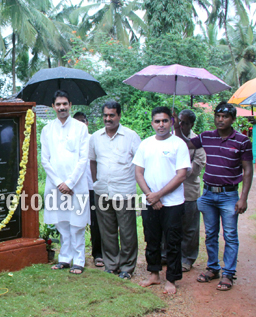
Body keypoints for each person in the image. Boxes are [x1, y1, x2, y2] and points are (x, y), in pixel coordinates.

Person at [173, 102, 253, 291]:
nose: (220, 119)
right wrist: (176, 126)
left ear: (233, 119)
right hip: (208, 194)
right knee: (210, 235)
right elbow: (185, 144)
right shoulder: (207, 137)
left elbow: (248, 171)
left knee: (230, 235)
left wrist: (243, 198)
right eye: (217, 116)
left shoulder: (242, 141)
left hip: (229, 195)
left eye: (225, 117)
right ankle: (213, 268)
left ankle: (228, 273)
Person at [133, 106, 190, 294]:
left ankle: (172, 279)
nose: (161, 124)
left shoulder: (178, 144)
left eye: (165, 120)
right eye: (157, 121)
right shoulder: (146, 144)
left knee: (173, 241)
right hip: (150, 201)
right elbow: (138, 173)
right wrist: (151, 195)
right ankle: (154, 274)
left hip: (172, 203)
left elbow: (181, 175)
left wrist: (159, 195)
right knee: (152, 238)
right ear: (152, 123)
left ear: (171, 122)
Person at [88, 101, 141, 279]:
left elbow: (139, 162)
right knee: (107, 231)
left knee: (127, 231)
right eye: (105, 115)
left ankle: (127, 267)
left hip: (124, 190)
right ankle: (111, 264)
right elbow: (92, 161)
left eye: (112, 115)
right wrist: (96, 180)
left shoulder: (131, 136)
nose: (108, 118)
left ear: (119, 116)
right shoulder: (95, 137)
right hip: (102, 190)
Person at [41, 90, 90, 275]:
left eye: (65, 104)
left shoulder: (80, 128)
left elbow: (83, 159)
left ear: (70, 105)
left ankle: (79, 260)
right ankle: (64, 258)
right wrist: (59, 183)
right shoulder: (47, 129)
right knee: (62, 223)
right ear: (53, 107)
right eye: (58, 104)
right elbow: (45, 159)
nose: (62, 107)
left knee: (77, 223)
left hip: (76, 185)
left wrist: (69, 183)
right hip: (55, 186)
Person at [169, 109, 206, 272]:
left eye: (184, 122)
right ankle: (167, 255)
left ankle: (187, 258)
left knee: (189, 227)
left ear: (191, 124)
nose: (181, 125)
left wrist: (178, 167)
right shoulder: (168, 138)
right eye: (179, 121)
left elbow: (194, 170)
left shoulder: (198, 142)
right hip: (169, 191)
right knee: (169, 225)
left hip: (189, 191)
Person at [73, 111, 103, 268]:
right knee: (75, 221)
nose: (80, 125)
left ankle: (98, 253)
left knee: (96, 221)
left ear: (87, 123)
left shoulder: (94, 139)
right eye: (76, 122)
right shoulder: (70, 142)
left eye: (83, 121)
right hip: (75, 187)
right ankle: (74, 253)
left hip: (92, 187)